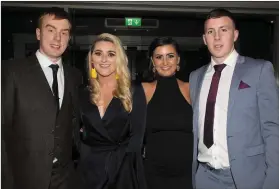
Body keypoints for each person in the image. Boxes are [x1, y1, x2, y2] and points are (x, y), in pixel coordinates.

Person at [189, 8, 279, 189]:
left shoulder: (259, 70)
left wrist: (273, 180)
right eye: (210, 32)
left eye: (224, 30)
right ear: (204, 39)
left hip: (248, 178)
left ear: (235, 35)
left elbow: (272, 129)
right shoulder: (195, 77)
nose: (217, 37)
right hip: (205, 177)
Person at [2, 7, 82, 189]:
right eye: (51, 30)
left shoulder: (75, 76)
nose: (57, 38)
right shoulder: (12, 72)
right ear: (38, 33)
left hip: (67, 177)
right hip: (24, 177)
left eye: (64, 32)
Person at [76, 33, 147, 189]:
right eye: (98, 53)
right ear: (92, 60)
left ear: (119, 59)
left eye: (111, 54)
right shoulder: (82, 93)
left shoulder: (133, 91)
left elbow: (137, 139)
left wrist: (119, 168)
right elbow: (75, 133)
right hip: (89, 173)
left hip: (123, 172)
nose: (104, 59)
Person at [141, 37, 193, 189]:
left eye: (170, 56)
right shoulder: (144, 90)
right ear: (153, 61)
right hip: (153, 174)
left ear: (178, 60)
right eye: (159, 57)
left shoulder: (191, 89)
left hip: (187, 174)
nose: (165, 63)